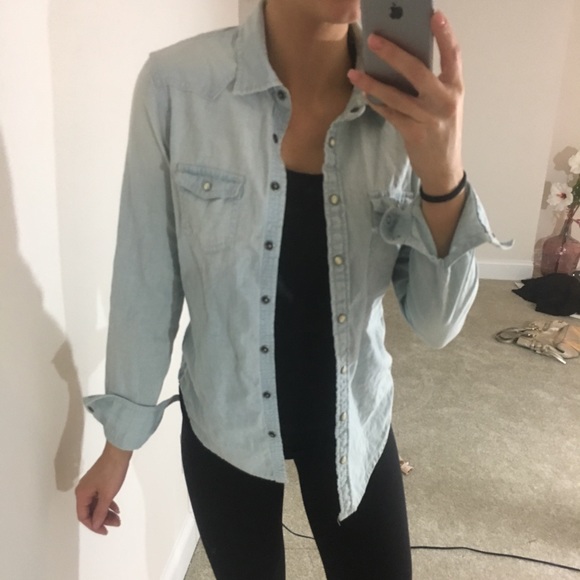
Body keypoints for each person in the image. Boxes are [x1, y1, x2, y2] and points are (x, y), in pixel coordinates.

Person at [75, 0, 506, 578]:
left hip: (355, 418)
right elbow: (146, 280)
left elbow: (437, 323)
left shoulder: (406, 107)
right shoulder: (178, 87)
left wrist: (444, 176)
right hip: (225, 424)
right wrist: (119, 445)